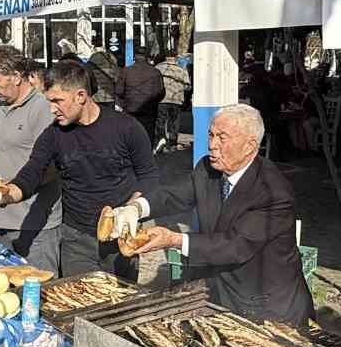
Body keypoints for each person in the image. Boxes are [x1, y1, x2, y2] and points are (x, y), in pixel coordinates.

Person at [115, 103, 312, 327]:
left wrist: (174, 240)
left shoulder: (273, 192)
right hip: (220, 290)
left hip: (266, 305)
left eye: (222, 137)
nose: (211, 145)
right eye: (211, 134)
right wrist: (137, 208)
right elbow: (174, 194)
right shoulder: (208, 168)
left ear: (249, 146)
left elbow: (235, 246)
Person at [0, 59, 156, 281]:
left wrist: (133, 209)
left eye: (57, 101)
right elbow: (30, 175)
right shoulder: (52, 135)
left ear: (80, 96)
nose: (52, 109)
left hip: (121, 236)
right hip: (76, 240)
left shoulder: (127, 128)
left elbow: (149, 177)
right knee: (78, 304)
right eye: (48, 101)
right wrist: (5, 195)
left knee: (121, 304)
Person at [0, 46, 61, 272]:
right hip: (2, 220)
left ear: (16, 76)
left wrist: (12, 191)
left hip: (37, 223)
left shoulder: (43, 108)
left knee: (39, 293)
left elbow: (51, 166)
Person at [115, 46, 165, 147]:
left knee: (131, 135)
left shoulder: (126, 71)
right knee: (147, 135)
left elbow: (119, 91)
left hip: (130, 109)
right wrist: (153, 101)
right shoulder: (155, 72)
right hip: (149, 110)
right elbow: (160, 92)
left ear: (135, 57)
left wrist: (125, 100)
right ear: (147, 57)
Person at [154, 52, 191, 153]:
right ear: (175, 58)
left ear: (166, 57)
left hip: (162, 99)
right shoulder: (181, 69)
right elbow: (187, 86)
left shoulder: (158, 68)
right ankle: (172, 143)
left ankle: (161, 140)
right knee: (174, 121)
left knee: (161, 120)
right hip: (177, 100)